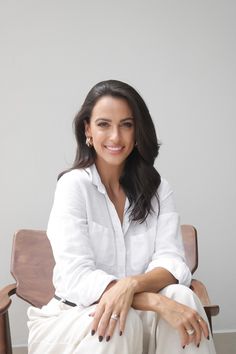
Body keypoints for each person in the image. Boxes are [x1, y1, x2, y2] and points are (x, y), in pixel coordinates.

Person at [27, 80, 216, 354]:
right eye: (104, 124)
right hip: (73, 320)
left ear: (138, 131)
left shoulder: (158, 189)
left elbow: (173, 262)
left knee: (181, 296)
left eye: (126, 124)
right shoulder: (73, 186)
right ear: (87, 130)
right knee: (117, 321)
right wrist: (155, 301)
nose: (116, 137)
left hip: (136, 319)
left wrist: (131, 285)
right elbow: (77, 277)